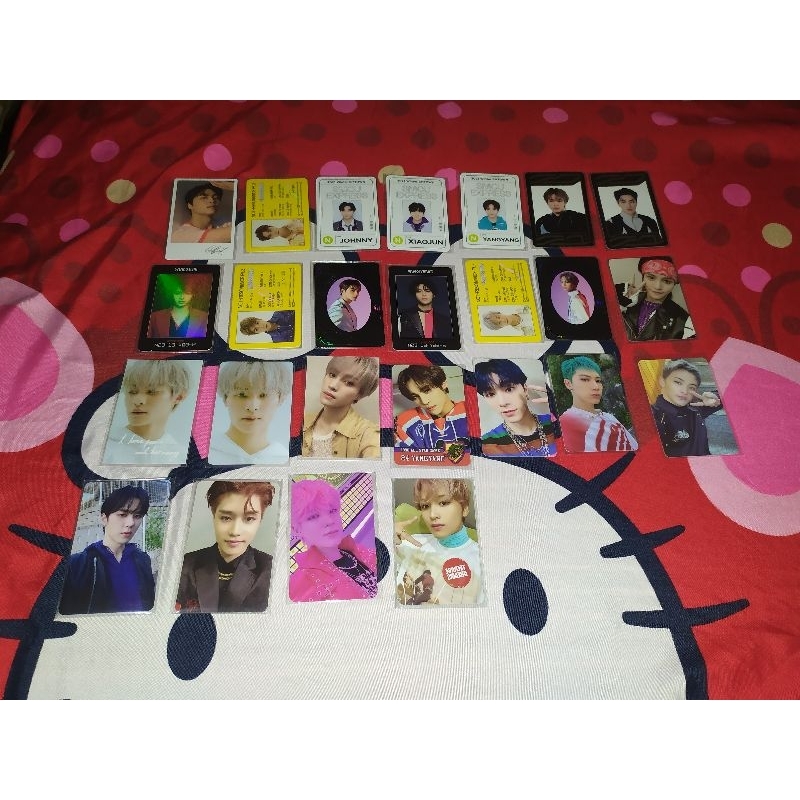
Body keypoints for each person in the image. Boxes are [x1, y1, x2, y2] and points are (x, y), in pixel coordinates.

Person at [176, 481, 274, 613]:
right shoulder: (184, 566)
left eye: (249, 519)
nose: (235, 531)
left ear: (260, 519)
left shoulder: (272, 570)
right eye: (226, 518)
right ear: (214, 516)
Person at [59, 485, 155, 614]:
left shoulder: (143, 560)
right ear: (104, 519)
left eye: (137, 516)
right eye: (123, 514)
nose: (131, 523)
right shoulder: (76, 565)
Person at [394, 479, 484, 606]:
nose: (432, 515)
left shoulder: (481, 562)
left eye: (443, 503)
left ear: (464, 508)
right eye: (425, 506)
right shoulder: (412, 542)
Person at [289, 479, 377, 602]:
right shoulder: (302, 587)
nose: (330, 521)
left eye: (332, 511)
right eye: (313, 516)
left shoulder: (359, 552)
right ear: (296, 529)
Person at [104, 360, 190, 464]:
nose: (137, 401)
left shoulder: (181, 456)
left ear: (178, 397)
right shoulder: (105, 447)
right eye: (132, 392)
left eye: (151, 392)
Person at [208, 361, 292, 464]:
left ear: (280, 399)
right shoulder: (204, 453)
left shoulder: (285, 460)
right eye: (242, 395)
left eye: (264, 395)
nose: (252, 407)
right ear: (226, 398)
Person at [475, 358, 555, 457]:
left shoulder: (555, 422)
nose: (502, 402)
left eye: (509, 389)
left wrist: (560, 408)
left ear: (525, 390)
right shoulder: (488, 445)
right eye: (490, 394)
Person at [302, 356, 380, 458]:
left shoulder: (369, 434)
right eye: (332, 375)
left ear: (360, 394)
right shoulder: (300, 422)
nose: (333, 385)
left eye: (349, 383)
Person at [557, 356, 638, 452]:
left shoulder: (608, 417)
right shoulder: (564, 424)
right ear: (568, 384)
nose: (596, 386)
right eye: (585, 379)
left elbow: (634, 447)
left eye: (598, 381)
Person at [651, 359, 723, 456]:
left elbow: (732, 391)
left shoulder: (695, 408)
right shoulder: (654, 417)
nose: (685, 391)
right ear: (662, 381)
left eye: (691, 387)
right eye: (678, 382)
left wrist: (715, 397)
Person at [395, 364, 469, 453]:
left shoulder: (472, 411)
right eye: (415, 397)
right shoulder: (406, 423)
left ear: (443, 384)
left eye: (427, 390)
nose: (424, 401)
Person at [616, 258, 695, 340]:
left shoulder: (684, 321)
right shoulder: (622, 302)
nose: (658, 286)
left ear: (674, 283)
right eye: (651, 278)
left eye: (667, 281)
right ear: (643, 278)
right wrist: (620, 304)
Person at [147, 274, 209, 338]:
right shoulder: (155, 317)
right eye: (177, 293)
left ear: (193, 294)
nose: (182, 297)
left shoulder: (204, 317)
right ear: (171, 293)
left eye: (187, 293)